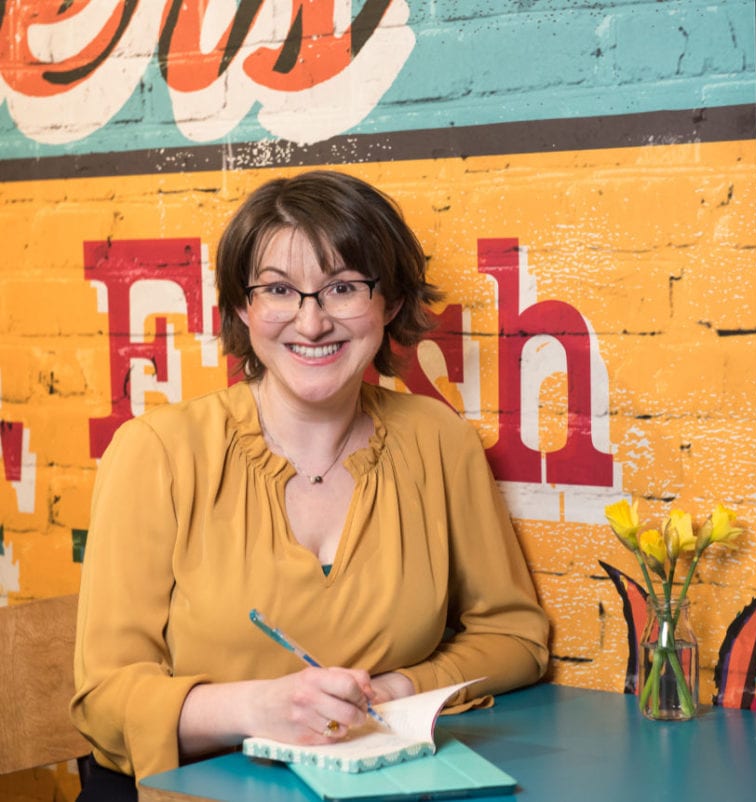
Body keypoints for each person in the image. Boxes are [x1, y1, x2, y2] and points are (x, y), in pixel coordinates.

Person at [71, 170, 550, 800]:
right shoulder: (156, 452)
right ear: (243, 308)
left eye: (343, 288)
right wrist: (259, 708)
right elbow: (104, 702)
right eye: (277, 290)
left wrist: (400, 689)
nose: (312, 322)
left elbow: (515, 638)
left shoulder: (440, 441)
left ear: (392, 304)